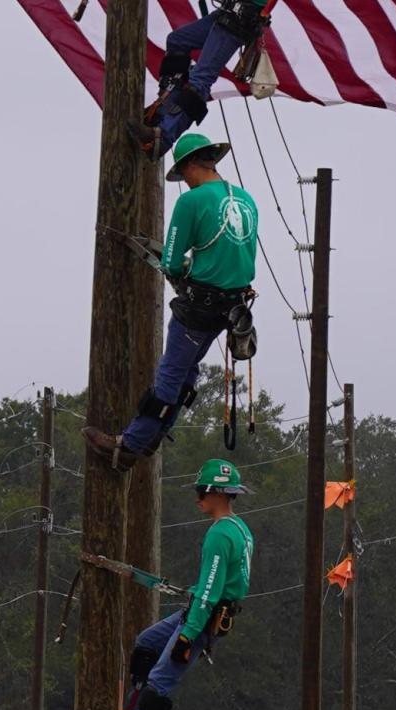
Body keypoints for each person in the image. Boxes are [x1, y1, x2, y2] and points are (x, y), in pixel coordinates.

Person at [83, 133, 258, 471]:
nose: (185, 181)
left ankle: (130, 446)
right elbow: (239, 256)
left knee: (170, 375)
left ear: (191, 164)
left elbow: (172, 262)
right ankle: (155, 436)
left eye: (183, 173)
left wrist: (182, 267)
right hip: (231, 309)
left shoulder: (191, 202)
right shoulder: (247, 199)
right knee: (187, 372)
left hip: (199, 307)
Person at [119, 458, 255, 710]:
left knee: (158, 684)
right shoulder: (241, 528)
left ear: (218, 494)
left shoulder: (220, 535)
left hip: (203, 617)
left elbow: (209, 592)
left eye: (202, 491)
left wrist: (187, 635)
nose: (198, 498)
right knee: (147, 643)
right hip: (204, 612)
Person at [128, 0, 268, 158]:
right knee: (177, 42)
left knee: (201, 79)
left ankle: (163, 138)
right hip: (230, 12)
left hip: (241, 19)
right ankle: (160, 114)